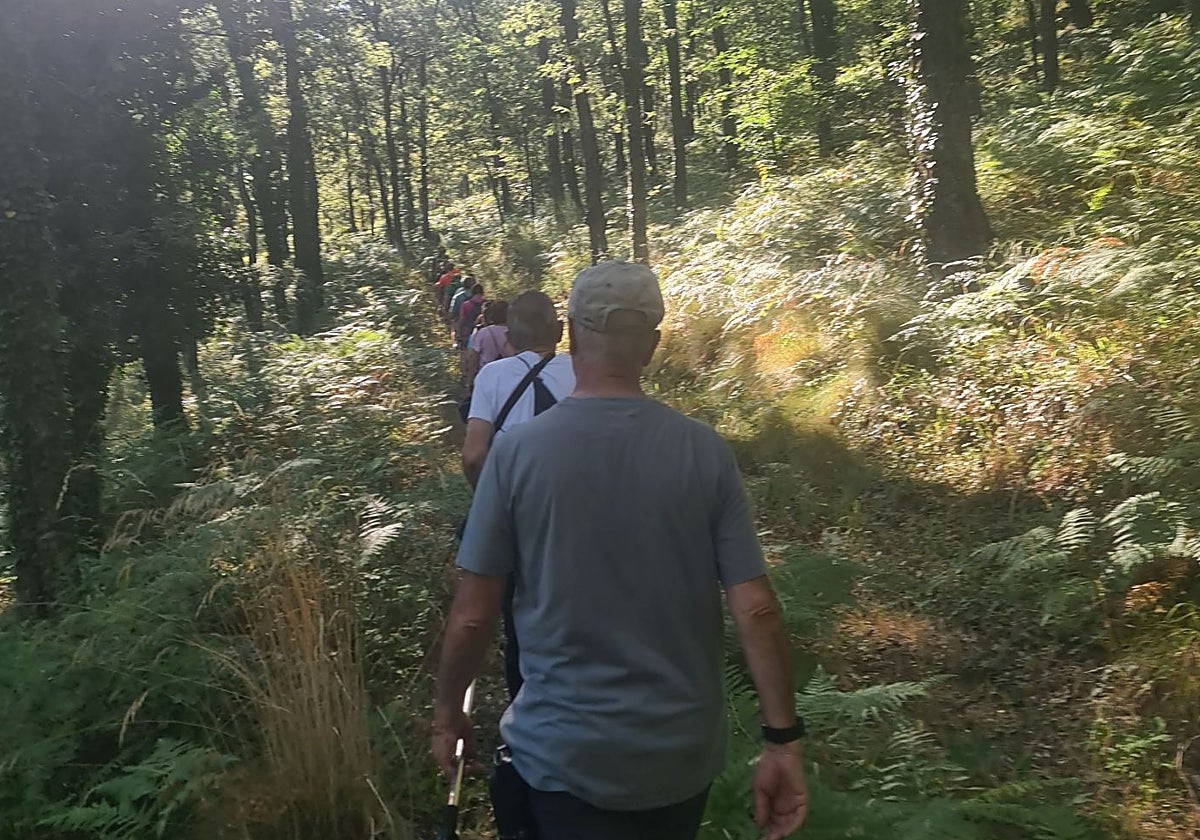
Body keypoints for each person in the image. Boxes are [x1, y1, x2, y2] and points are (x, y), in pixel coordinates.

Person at [433, 261, 808, 840]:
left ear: (572, 335)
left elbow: (474, 616)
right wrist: (781, 739)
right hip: (679, 760)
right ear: (652, 346)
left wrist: (447, 714)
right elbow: (756, 609)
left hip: (562, 756)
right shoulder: (705, 452)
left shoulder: (518, 454)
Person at [460, 290, 575, 489]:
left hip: (512, 491)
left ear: (509, 338)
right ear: (560, 330)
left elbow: (473, 457)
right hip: (569, 493)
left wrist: (490, 497)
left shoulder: (490, 376)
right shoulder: (584, 372)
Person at [464, 299, 513, 390]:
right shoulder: (516, 333)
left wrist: (470, 380)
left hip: (485, 375)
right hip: (509, 377)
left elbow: (474, 358)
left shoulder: (484, 332)